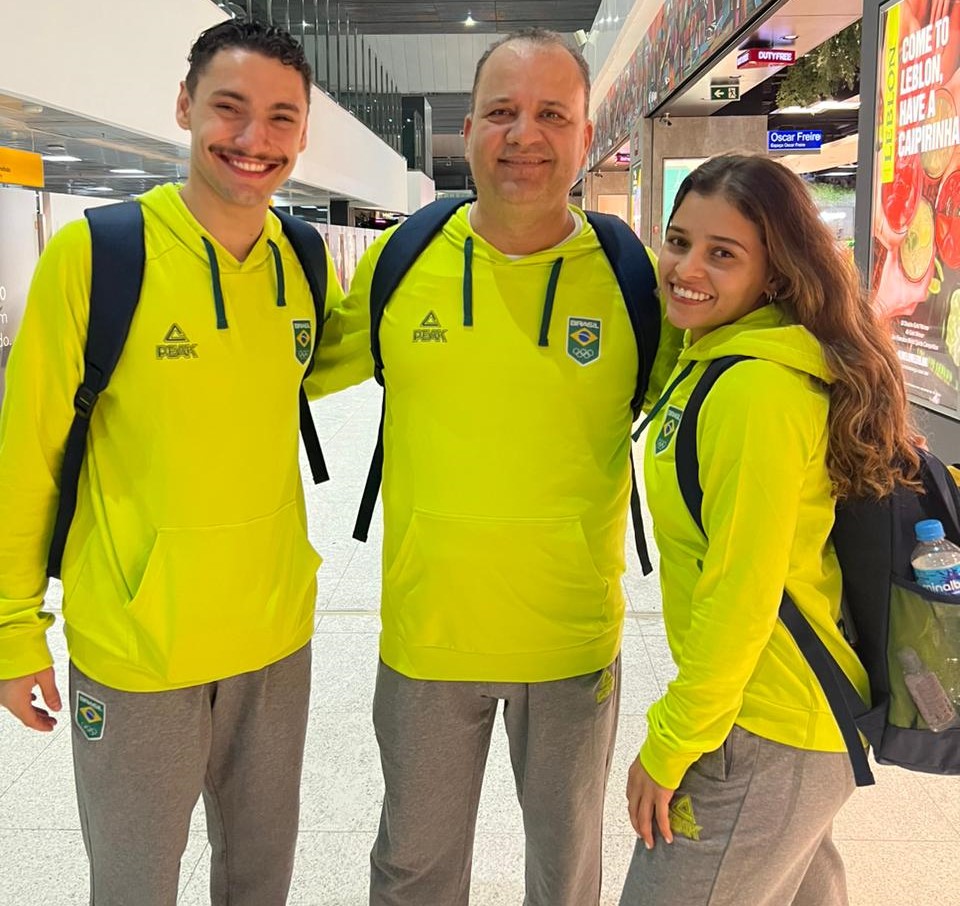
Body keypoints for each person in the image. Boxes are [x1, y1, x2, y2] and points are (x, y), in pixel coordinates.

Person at [315, 28, 682, 906]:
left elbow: (707, 415)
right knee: (413, 870)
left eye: (552, 114)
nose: (526, 136)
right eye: (503, 113)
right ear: (467, 130)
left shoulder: (635, 280)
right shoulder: (402, 265)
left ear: (587, 137)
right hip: (427, 637)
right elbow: (277, 374)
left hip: (571, 641)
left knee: (566, 876)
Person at [0, 19, 360, 906]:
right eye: (229, 109)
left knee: (259, 880)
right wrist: (13, 629)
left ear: (304, 133)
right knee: (132, 884)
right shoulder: (98, 255)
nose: (253, 139)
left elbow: (342, 360)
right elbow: (27, 453)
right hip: (137, 645)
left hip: (274, 636)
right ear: (184, 107)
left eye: (281, 118)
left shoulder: (303, 261)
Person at [620, 153, 921, 906]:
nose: (687, 267)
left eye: (723, 254)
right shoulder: (718, 357)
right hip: (789, 724)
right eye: (678, 241)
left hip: (757, 733)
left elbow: (741, 591)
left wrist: (672, 742)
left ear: (776, 274)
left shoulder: (754, 389)